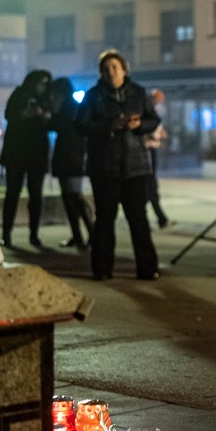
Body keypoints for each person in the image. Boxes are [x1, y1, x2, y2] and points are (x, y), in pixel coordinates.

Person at [77, 49, 161, 281]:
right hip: (104, 166)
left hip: (136, 165)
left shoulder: (139, 93)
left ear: (124, 69)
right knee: (105, 219)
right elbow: (80, 124)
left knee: (139, 219)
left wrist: (139, 124)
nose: (111, 72)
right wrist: (108, 126)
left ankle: (147, 268)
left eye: (114, 67)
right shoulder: (94, 95)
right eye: (106, 69)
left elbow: (154, 120)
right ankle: (102, 269)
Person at [0, 70, 53, 247]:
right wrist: (27, 114)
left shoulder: (47, 98)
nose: (43, 86)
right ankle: (6, 233)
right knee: (12, 194)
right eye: (41, 83)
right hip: (17, 151)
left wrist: (44, 116)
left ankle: (34, 234)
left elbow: (53, 120)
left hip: (37, 153)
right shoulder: (20, 94)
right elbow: (9, 115)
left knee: (35, 195)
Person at [49, 77, 94, 250]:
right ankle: (79, 235)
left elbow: (59, 125)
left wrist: (49, 116)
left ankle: (89, 233)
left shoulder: (69, 108)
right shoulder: (69, 106)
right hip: (69, 156)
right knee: (70, 197)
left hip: (71, 156)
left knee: (73, 196)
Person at [143, 88, 172, 229]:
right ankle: (160, 218)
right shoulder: (147, 110)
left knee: (150, 185)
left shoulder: (154, 113)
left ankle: (160, 218)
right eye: (159, 99)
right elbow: (150, 131)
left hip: (151, 150)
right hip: (146, 151)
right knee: (149, 186)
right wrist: (157, 134)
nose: (161, 102)